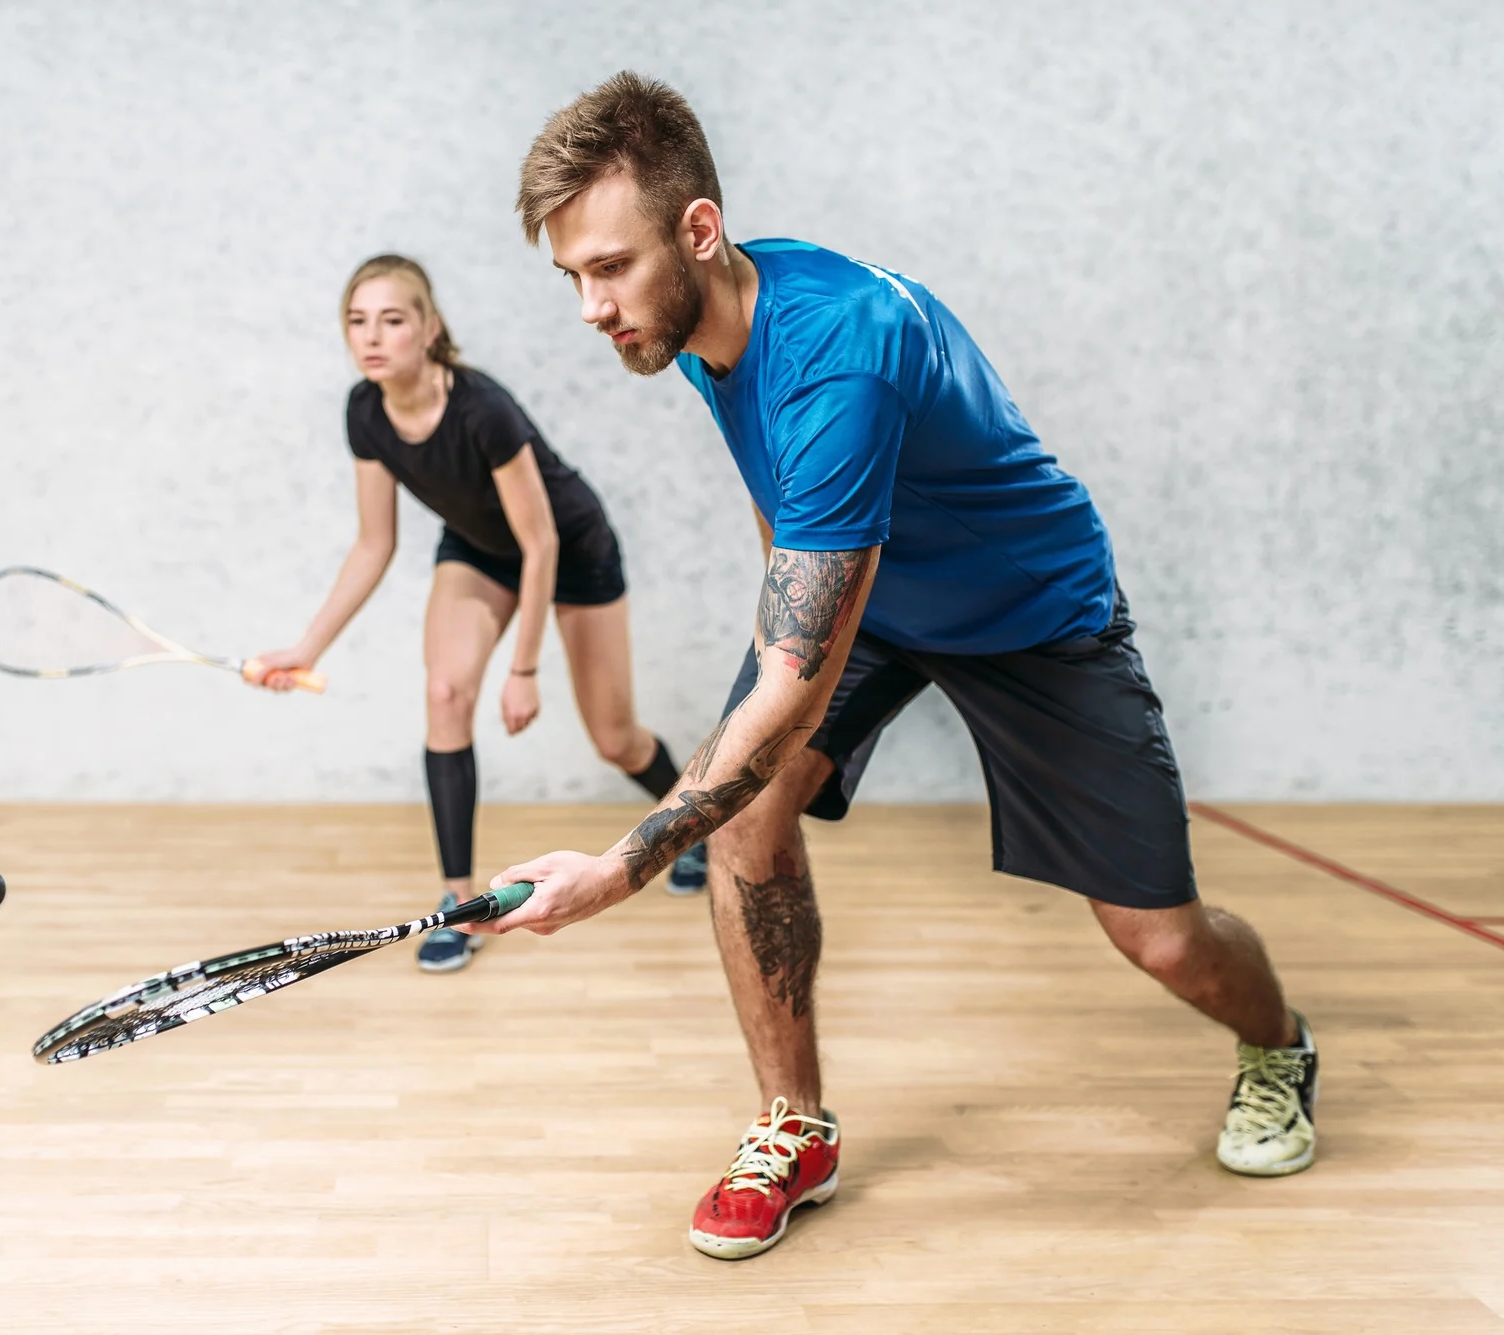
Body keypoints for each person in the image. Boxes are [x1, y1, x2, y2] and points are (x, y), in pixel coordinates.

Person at [467, 73, 1319, 1259]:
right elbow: (788, 517)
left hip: (1029, 612)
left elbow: (793, 672)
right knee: (745, 811)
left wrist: (617, 868)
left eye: (607, 267)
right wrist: (778, 649)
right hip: (869, 595)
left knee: (1159, 939)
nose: (589, 306)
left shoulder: (838, 353)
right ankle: (792, 1125)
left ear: (698, 230)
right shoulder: (701, 320)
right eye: (571, 276)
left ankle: (1278, 1046)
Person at [251, 254, 706, 972]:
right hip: (478, 548)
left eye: (392, 319)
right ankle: (459, 904)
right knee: (445, 693)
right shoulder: (364, 411)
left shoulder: (481, 408)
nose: (372, 337)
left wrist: (523, 669)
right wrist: (307, 648)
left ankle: (696, 832)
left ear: (430, 326)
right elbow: (374, 544)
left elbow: (541, 543)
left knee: (615, 738)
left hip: (570, 547)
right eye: (357, 321)